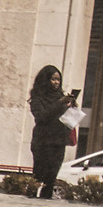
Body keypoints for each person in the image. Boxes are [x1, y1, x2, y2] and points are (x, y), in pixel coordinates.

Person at [27, 65, 75, 199]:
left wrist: (72, 108)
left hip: (58, 142)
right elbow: (42, 117)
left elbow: (66, 120)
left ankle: (45, 202)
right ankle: (30, 200)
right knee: (38, 176)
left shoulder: (61, 97)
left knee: (51, 178)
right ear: (46, 80)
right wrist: (60, 103)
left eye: (58, 80)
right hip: (42, 142)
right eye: (53, 79)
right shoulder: (37, 98)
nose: (56, 83)